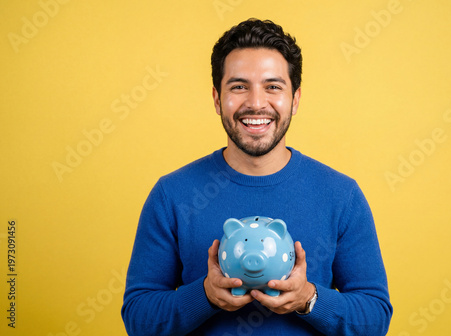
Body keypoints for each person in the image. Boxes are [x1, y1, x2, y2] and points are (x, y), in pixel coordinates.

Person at [121, 18, 392, 335]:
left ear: (296, 99)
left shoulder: (341, 196)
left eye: (273, 87)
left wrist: (309, 299)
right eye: (238, 87)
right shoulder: (172, 195)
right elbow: (138, 319)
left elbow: (375, 319)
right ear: (216, 99)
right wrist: (205, 295)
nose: (256, 103)